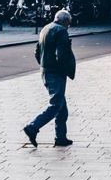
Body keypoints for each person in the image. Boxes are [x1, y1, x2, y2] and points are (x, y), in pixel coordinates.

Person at [23, 8, 76, 148]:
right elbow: (62, 54)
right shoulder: (61, 31)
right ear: (65, 21)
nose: (68, 26)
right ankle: (33, 127)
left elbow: (37, 51)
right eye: (68, 23)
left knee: (62, 108)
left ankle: (61, 138)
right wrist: (63, 68)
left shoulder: (45, 28)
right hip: (56, 72)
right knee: (56, 105)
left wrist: (44, 65)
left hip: (46, 71)